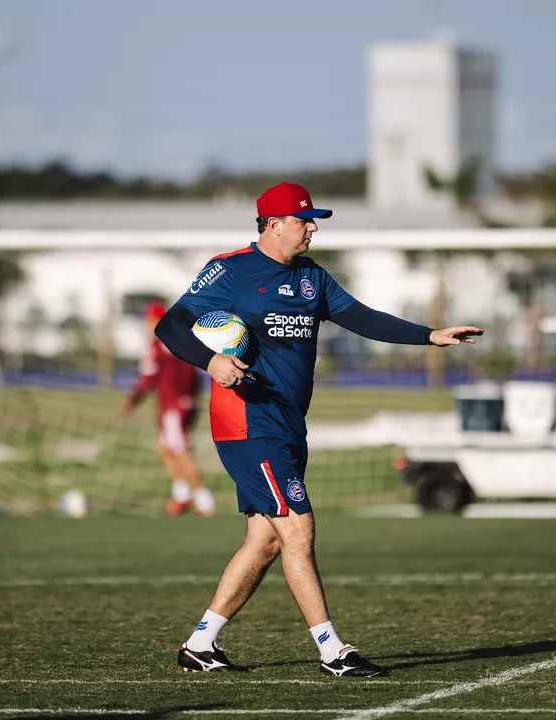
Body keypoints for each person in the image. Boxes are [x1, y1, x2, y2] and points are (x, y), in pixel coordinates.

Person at [155, 181, 482, 677]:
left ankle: (200, 645)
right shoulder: (229, 270)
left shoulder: (314, 278)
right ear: (273, 224)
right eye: (304, 220)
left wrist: (429, 336)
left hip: (288, 422)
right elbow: (171, 326)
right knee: (298, 528)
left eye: (315, 220)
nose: (312, 228)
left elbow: (362, 319)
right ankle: (333, 651)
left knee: (265, 540)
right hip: (246, 420)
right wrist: (211, 360)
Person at [123, 301, 216, 517]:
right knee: (165, 448)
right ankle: (181, 495)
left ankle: (203, 499)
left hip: (173, 406)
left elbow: (148, 378)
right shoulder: (183, 339)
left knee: (181, 452)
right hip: (188, 402)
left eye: (148, 320)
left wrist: (133, 400)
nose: (146, 324)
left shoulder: (156, 346)